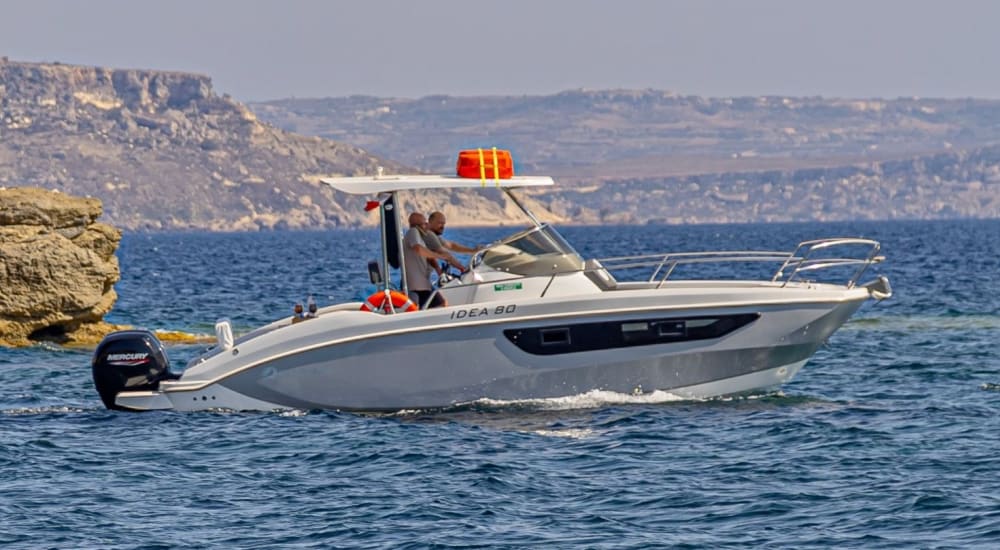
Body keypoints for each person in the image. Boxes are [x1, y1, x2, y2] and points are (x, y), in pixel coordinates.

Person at [403, 212, 462, 308]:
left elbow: (428, 256)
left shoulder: (420, 237)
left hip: (422, 285)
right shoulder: (413, 232)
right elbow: (419, 249)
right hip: (414, 286)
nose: (427, 225)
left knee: (441, 303)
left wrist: (438, 269)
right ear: (417, 225)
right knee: (416, 309)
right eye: (424, 223)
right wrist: (440, 256)